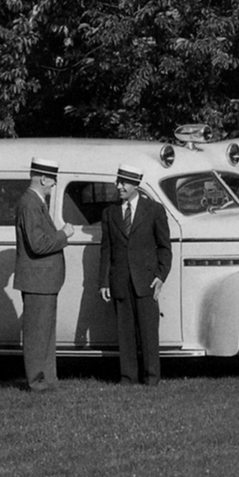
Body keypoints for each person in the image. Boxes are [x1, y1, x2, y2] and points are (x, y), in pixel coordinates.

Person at [99, 163, 172, 385]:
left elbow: (164, 247)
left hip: (146, 281)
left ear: (135, 185)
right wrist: (104, 282)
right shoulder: (109, 213)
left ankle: (151, 377)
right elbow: (106, 249)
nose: (118, 186)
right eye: (118, 182)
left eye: (123, 183)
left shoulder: (154, 210)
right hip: (120, 280)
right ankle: (127, 377)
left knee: (149, 331)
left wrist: (160, 275)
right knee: (125, 332)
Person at [15, 156, 72, 392]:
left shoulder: (35, 203)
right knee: (38, 335)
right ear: (43, 178)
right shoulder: (29, 204)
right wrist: (63, 234)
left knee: (46, 334)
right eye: (52, 180)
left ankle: (47, 379)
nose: (53, 185)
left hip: (44, 282)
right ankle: (38, 381)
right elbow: (37, 244)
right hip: (38, 281)